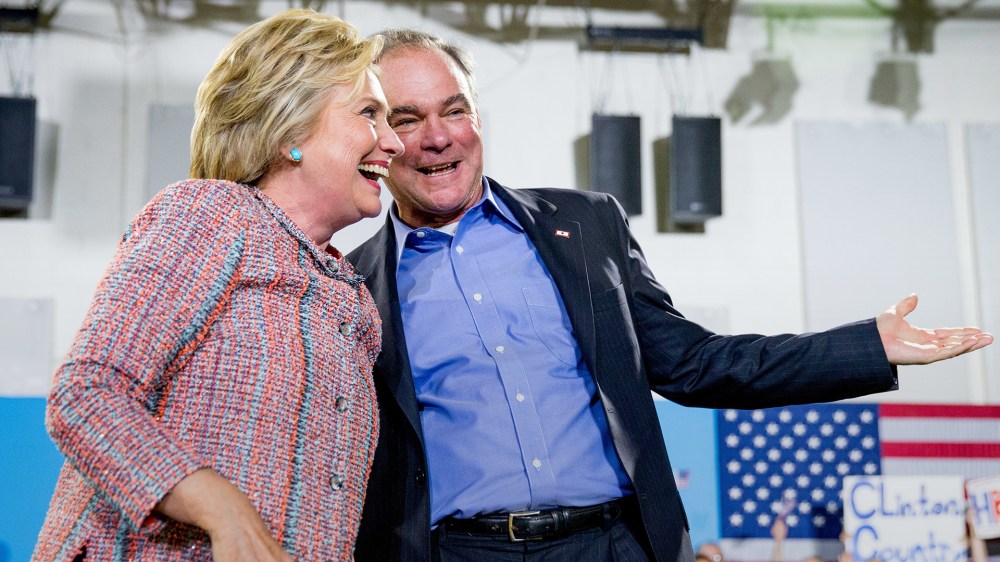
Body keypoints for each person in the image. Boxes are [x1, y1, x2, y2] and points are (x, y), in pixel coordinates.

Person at [346, 29, 994, 562]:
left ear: (477, 115)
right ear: (380, 138)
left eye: (454, 109)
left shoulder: (585, 225)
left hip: (616, 545)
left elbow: (695, 364)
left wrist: (866, 345)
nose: (437, 136)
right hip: (458, 555)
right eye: (408, 118)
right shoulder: (349, 284)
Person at [32, 9, 402, 561]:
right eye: (369, 113)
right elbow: (85, 396)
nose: (393, 143)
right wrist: (220, 506)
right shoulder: (212, 214)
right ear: (290, 129)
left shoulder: (353, 296)